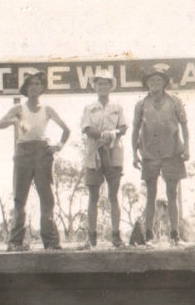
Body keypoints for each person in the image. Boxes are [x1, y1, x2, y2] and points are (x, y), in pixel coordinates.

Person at [0, 71, 70, 251]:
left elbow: (66, 130)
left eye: (38, 84)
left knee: (47, 198)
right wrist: (13, 121)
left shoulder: (48, 109)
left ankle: (51, 242)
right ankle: (15, 242)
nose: (34, 87)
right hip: (23, 151)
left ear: (42, 87)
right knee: (20, 198)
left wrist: (58, 145)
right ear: (25, 88)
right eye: (31, 84)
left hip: (43, 152)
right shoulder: (19, 109)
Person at [132, 65, 189, 246]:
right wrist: (134, 153)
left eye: (158, 80)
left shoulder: (174, 101)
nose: (155, 83)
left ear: (164, 82)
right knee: (150, 194)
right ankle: (149, 235)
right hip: (149, 154)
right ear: (147, 84)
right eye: (151, 80)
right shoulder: (141, 104)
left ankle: (175, 235)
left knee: (172, 193)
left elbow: (184, 125)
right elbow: (135, 129)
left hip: (172, 152)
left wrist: (187, 147)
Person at [80, 69, 128, 248]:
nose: (103, 86)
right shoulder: (89, 108)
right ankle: (91, 236)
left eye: (106, 83)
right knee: (93, 196)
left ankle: (116, 235)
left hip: (114, 152)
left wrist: (113, 133)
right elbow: (86, 129)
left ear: (111, 86)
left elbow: (123, 128)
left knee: (113, 195)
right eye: (99, 83)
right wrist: (102, 134)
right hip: (95, 153)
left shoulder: (117, 107)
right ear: (95, 86)